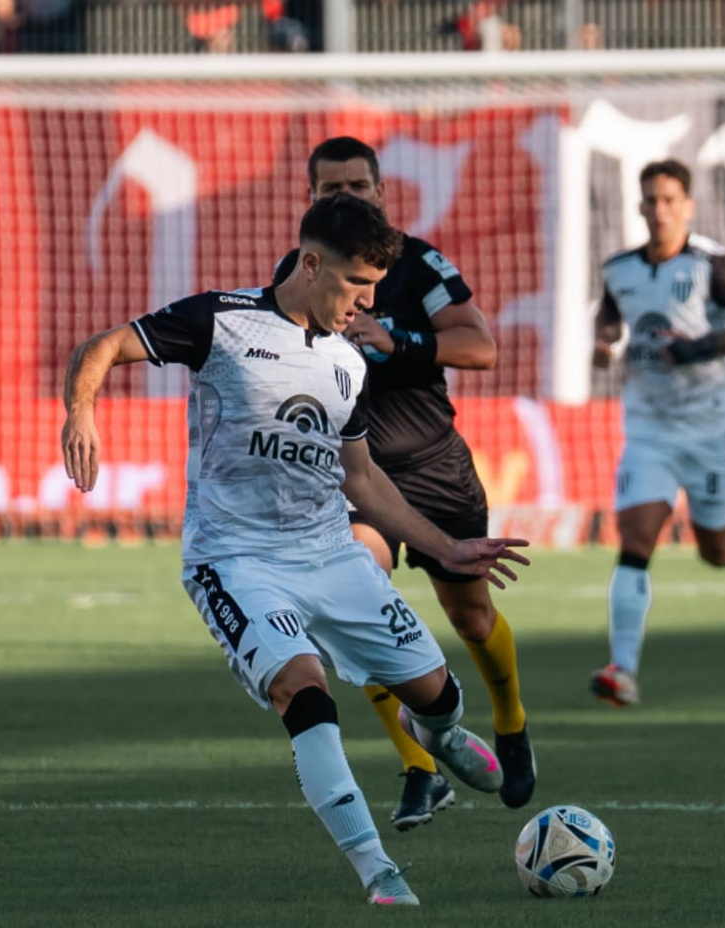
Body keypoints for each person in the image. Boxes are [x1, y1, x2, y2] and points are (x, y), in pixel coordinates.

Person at [61, 193, 530, 906]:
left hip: (331, 554)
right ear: (311, 263)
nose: (366, 302)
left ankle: (436, 730)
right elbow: (104, 345)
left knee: (435, 690)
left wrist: (448, 547)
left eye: (375, 286)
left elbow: (363, 480)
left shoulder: (348, 363)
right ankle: (379, 872)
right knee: (303, 691)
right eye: (355, 284)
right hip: (236, 560)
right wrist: (80, 411)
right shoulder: (221, 320)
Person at [273, 136, 537, 827]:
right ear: (311, 197)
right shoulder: (296, 273)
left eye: (357, 187)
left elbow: (480, 347)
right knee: (357, 611)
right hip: (358, 479)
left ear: (382, 193)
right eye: (331, 189)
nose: (345, 199)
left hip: (435, 467)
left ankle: (510, 722)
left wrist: (403, 342)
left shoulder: (420, 264)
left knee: (472, 618)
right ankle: (422, 767)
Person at [590, 158, 725, 707]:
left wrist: (698, 347)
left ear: (688, 206)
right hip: (648, 429)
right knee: (635, 540)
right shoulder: (619, 268)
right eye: (650, 199)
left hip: (710, 428)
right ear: (640, 205)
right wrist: (603, 342)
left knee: (715, 550)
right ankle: (621, 670)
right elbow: (610, 318)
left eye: (670, 200)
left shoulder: (712, 265)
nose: (659, 210)